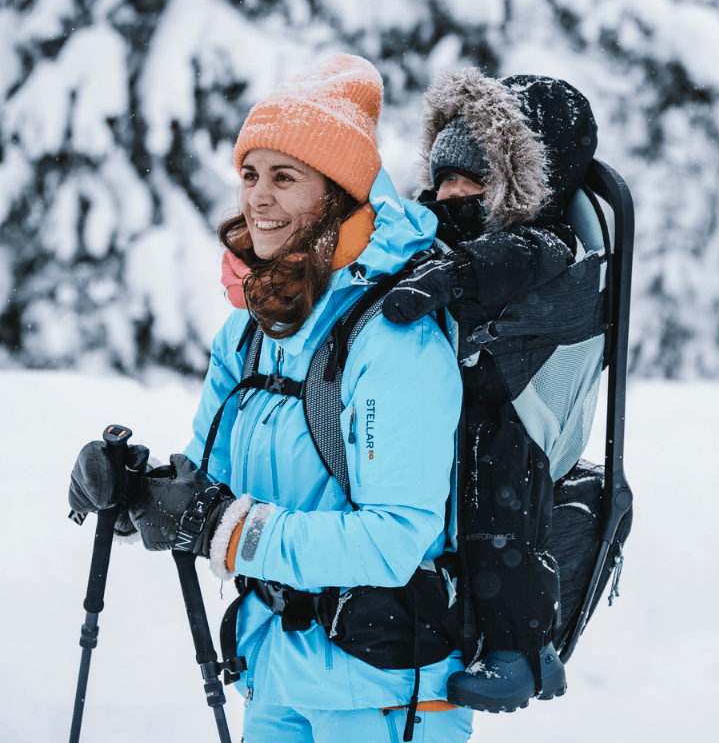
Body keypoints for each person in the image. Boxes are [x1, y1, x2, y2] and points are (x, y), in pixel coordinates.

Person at [69, 54, 473, 743]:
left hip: (385, 694)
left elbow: (392, 540)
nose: (257, 198)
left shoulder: (395, 341)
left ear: (338, 195)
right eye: (250, 175)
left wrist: (224, 528)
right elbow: (208, 489)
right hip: (275, 676)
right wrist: (136, 495)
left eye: (285, 178)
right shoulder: (249, 334)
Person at [383, 68, 601, 712]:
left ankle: (523, 649)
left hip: (523, 429)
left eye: (471, 180)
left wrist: (454, 273)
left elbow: (513, 258)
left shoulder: (549, 241)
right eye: (442, 178)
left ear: (519, 186)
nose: (449, 194)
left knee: (492, 471)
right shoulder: (440, 228)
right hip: (464, 402)